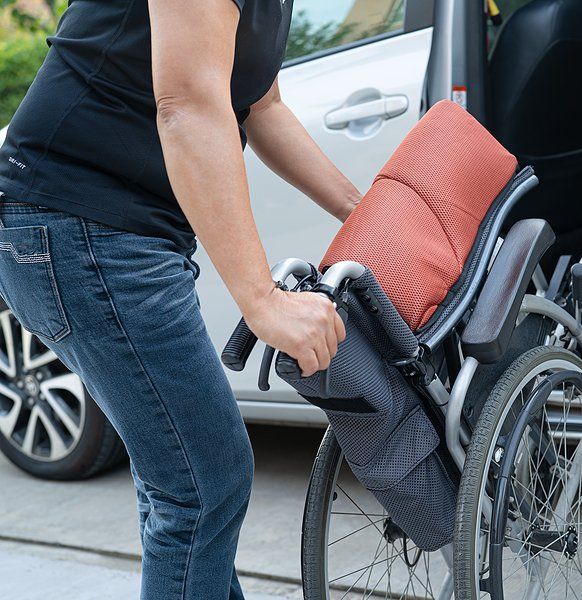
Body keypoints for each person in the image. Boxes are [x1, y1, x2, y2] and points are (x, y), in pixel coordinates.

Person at [0, 0, 355, 597]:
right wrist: (261, 301)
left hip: (116, 232)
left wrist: (362, 211)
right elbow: (188, 105)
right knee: (203, 484)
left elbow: (261, 107)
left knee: (185, 486)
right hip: (77, 223)